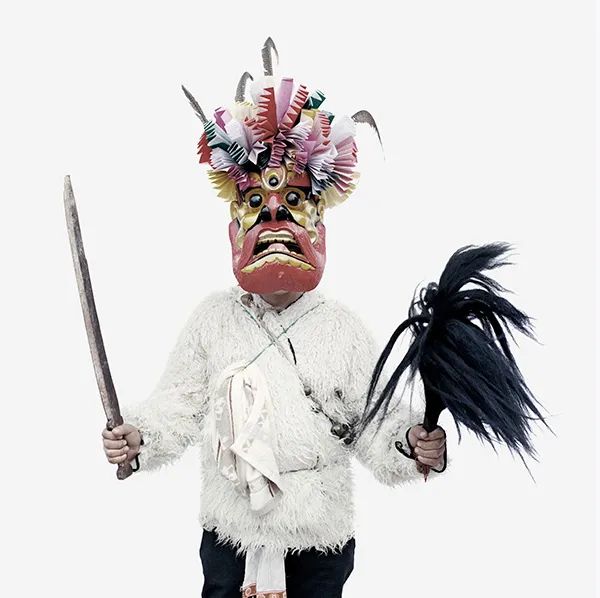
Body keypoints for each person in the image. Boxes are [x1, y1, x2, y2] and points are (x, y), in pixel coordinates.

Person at [101, 39, 447, 598]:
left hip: (319, 535)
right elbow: (178, 404)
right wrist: (140, 436)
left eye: (292, 207)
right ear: (234, 230)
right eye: (256, 209)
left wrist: (411, 441)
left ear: (319, 227)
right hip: (232, 533)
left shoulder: (342, 330)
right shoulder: (214, 320)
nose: (275, 220)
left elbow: (375, 421)